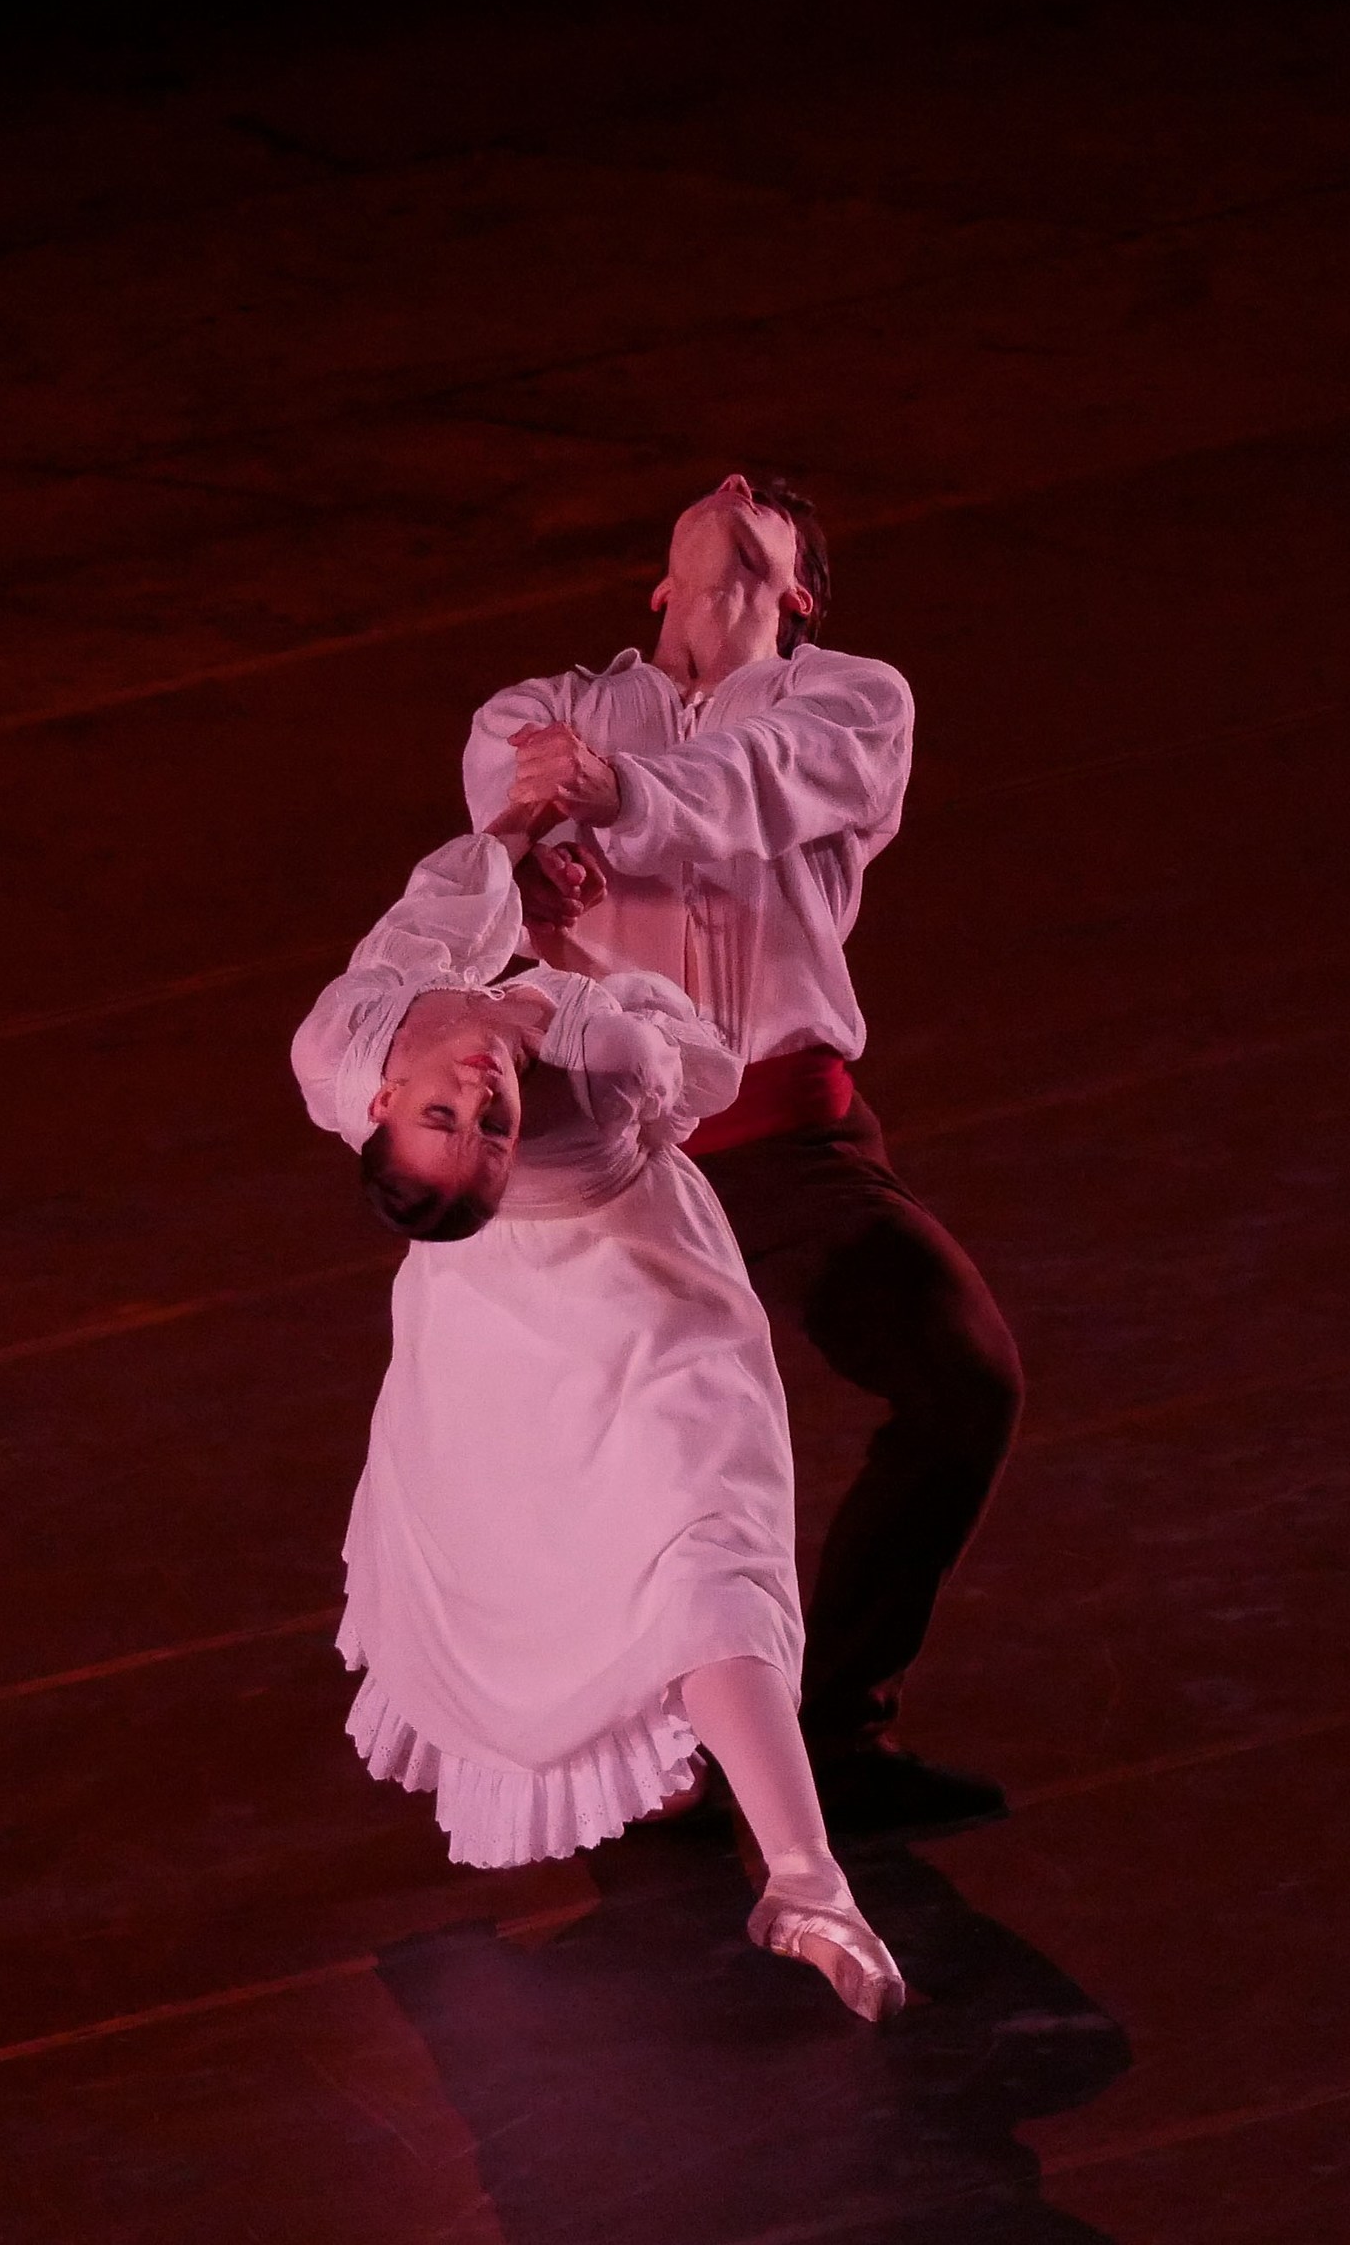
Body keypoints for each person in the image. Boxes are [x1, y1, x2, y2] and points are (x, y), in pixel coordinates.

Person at [464, 472, 1023, 1833]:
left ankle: (829, 1725)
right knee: (628, 1473)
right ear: (656, 582)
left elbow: (752, 787)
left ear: (800, 588)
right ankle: (643, 1755)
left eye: (763, 500)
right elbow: (499, 824)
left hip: (785, 1131)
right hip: (608, 1160)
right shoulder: (537, 713)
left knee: (962, 1382)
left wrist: (616, 797)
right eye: (710, 494)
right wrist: (537, 843)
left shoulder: (851, 703)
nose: (727, 485)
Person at [290, 814, 906, 2020]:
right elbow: (702, 1061)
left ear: (378, 1101)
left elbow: (429, 923)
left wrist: (515, 842)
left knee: (703, 1561)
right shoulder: (594, 1062)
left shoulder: (339, 1044)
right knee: (562, 1582)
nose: (475, 1101)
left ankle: (806, 1880)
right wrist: (559, 993)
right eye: (482, 1127)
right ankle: (695, 1783)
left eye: (456, 1119)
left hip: (655, 1332)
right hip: (510, 1343)